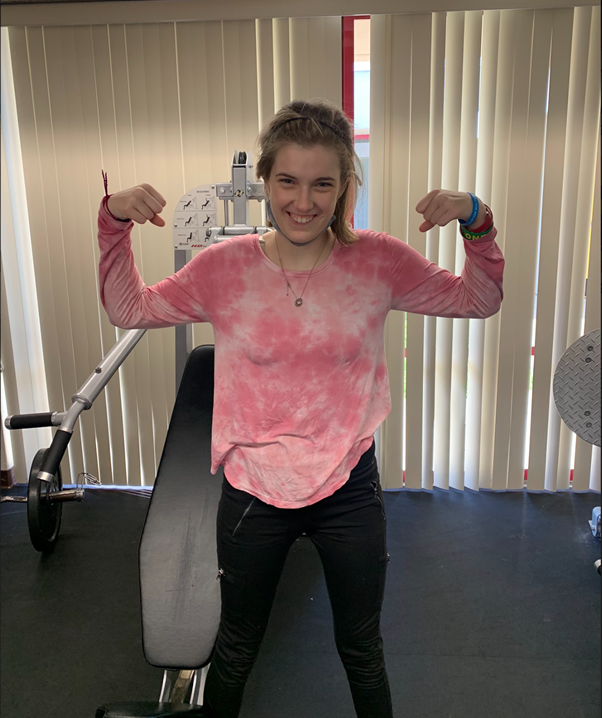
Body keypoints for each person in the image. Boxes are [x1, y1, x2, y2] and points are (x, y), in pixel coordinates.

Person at [98, 98, 505, 718]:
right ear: (265, 180)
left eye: (323, 183)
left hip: (347, 484)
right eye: (287, 181)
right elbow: (131, 310)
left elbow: (479, 300)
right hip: (254, 490)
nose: (303, 201)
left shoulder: (379, 260)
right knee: (236, 645)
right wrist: (112, 224)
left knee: (361, 646)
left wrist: (478, 221)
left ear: (346, 186)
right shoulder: (223, 269)